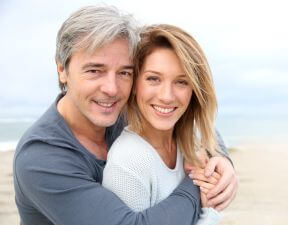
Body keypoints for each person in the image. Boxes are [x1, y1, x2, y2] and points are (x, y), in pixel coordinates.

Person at [13, 4, 237, 225]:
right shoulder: (40, 158)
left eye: (124, 72)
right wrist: (199, 182)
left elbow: (190, 122)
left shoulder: (120, 109)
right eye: (94, 71)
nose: (112, 88)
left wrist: (221, 159)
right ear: (62, 69)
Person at [102, 24, 227, 225]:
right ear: (135, 85)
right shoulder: (128, 162)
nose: (166, 96)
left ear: (194, 90)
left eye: (181, 82)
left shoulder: (193, 142)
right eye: (153, 79)